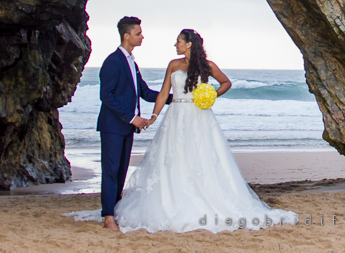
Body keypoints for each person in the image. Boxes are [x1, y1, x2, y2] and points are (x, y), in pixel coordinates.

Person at [112, 28, 297, 233]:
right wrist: (154, 117)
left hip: (199, 115)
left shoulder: (207, 66)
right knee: (173, 158)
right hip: (175, 116)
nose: (176, 45)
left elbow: (226, 82)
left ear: (189, 44)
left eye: (178, 41)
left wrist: (212, 95)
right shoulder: (173, 65)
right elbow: (165, 93)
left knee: (200, 156)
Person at [96, 16, 171, 233]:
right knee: (110, 171)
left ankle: (115, 210)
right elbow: (106, 96)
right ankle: (108, 217)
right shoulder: (113, 61)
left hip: (127, 128)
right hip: (112, 126)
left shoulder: (132, 63)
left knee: (120, 172)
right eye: (138, 33)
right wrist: (132, 117)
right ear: (126, 35)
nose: (142, 36)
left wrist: (177, 98)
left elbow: (145, 92)